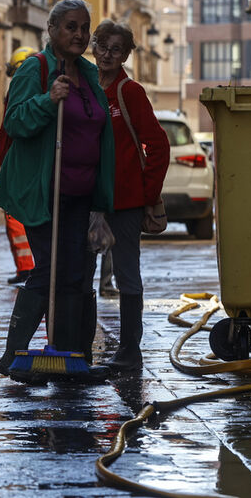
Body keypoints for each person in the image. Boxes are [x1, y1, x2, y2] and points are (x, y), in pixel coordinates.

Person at [0, 0, 114, 377]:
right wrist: (48, 100)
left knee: (78, 273)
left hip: (82, 194)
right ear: (53, 30)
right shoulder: (35, 69)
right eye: (70, 26)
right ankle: (13, 355)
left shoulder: (89, 75)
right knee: (51, 269)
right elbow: (16, 121)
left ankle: (74, 357)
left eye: (84, 27)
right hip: (44, 191)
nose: (79, 34)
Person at [85, 19, 169, 372]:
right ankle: (77, 345)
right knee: (79, 270)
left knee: (126, 273)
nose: (106, 53)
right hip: (87, 198)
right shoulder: (84, 85)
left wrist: (145, 192)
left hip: (125, 201)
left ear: (125, 55)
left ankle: (130, 350)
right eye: (102, 45)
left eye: (115, 49)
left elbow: (158, 144)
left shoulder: (129, 92)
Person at [0, 46, 38, 286]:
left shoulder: (23, 93)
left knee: (15, 218)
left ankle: (27, 268)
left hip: (20, 167)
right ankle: (28, 268)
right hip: (16, 163)